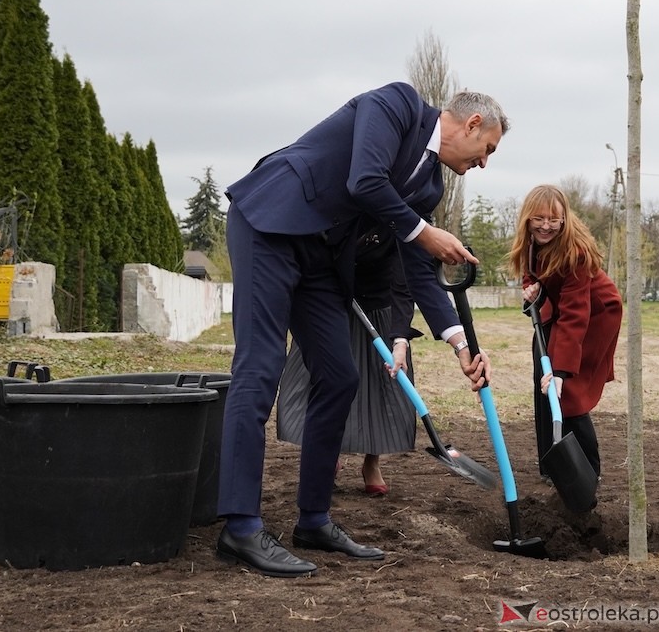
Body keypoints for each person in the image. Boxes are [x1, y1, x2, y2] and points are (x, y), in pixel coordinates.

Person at [217, 82, 508, 578]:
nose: (484, 164)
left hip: (319, 258)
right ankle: (240, 527)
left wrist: (458, 343)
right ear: (471, 124)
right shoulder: (395, 105)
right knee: (261, 368)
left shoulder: (429, 186)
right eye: (488, 151)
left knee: (340, 375)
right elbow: (365, 181)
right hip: (270, 222)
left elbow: (418, 267)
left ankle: (313, 519)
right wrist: (425, 232)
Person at [275, 227, 422, 498]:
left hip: (379, 305)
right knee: (325, 381)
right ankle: (327, 454)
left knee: (380, 388)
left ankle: (371, 463)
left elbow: (404, 282)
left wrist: (400, 335)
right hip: (331, 301)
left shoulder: (400, 217)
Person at [508, 185, 622, 481]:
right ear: (528, 220)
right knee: (541, 379)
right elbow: (532, 274)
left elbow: (575, 315)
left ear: (564, 220)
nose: (546, 226)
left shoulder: (575, 253)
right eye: (539, 219)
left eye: (553, 220)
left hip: (595, 313)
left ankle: (587, 470)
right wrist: (530, 288)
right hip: (558, 310)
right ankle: (550, 463)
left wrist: (561, 371)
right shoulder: (531, 243)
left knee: (566, 388)